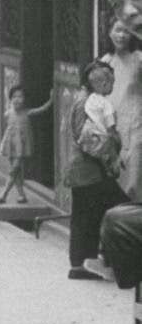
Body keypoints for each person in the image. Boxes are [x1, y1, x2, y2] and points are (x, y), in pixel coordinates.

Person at [65, 59, 128, 280]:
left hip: (86, 170)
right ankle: (95, 261)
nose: (111, 85)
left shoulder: (85, 100)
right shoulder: (86, 103)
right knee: (120, 209)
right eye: (109, 80)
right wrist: (111, 156)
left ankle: (82, 263)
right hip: (89, 170)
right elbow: (88, 140)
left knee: (88, 215)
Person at [102, 17, 142, 202]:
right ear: (110, 33)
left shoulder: (138, 59)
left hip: (136, 125)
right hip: (113, 128)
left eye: (126, 31)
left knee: (134, 179)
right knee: (113, 180)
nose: (121, 35)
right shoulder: (105, 62)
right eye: (118, 30)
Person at [0, 85, 53, 205]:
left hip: (21, 145)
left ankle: (4, 194)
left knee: (13, 170)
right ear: (10, 99)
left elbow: (42, 109)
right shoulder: (8, 113)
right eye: (14, 97)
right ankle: (22, 195)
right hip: (11, 144)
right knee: (16, 172)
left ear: (25, 99)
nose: (17, 99)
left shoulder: (27, 112)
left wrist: (51, 99)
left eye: (20, 96)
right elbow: (7, 129)